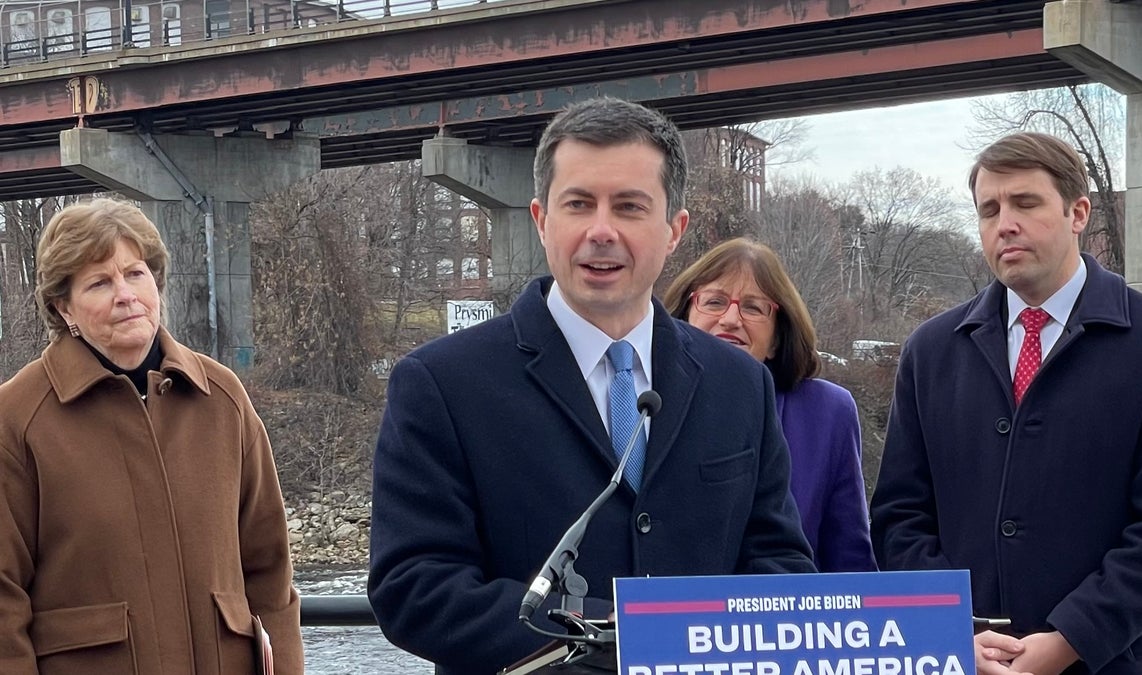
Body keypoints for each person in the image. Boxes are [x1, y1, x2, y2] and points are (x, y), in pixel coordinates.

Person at [368, 97, 816, 675]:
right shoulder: (442, 383)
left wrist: (702, 642)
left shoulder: (741, 383)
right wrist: (615, 642)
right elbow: (414, 587)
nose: (601, 231)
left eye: (629, 207)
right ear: (541, 219)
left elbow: (779, 563)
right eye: (579, 204)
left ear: (674, 229)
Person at [870, 132, 1142, 675]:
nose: (1005, 224)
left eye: (1025, 203)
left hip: (1102, 664)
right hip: (960, 662)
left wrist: (1069, 639)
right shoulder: (931, 351)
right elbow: (899, 519)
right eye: (989, 209)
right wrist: (951, 630)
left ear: (1078, 213)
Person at [0, 198, 303, 674]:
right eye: (100, 282)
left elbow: (269, 570)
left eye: (136, 273)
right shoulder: (18, 419)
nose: (126, 294)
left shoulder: (220, 398)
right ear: (64, 307)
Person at [663, 237, 876, 572]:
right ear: (682, 319)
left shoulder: (828, 412)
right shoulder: (644, 399)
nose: (731, 319)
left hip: (792, 619)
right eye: (714, 302)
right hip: (675, 620)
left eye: (753, 307)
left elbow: (850, 563)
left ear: (777, 337)